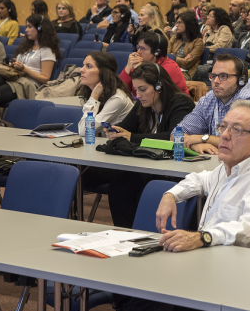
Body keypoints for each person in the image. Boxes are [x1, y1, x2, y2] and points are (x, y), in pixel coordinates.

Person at [103, 101, 250, 311]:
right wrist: (171, 194)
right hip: (208, 270)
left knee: (150, 291)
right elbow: (199, 179)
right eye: (223, 127)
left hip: (241, 282)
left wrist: (201, 237)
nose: (223, 135)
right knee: (127, 283)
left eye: (236, 130)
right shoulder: (227, 169)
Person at [106, 63, 196, 228]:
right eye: (135, 90)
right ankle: (127, 234)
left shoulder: (180, 103)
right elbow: (126, 129)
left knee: (144, 191)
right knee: (119, 187)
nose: (138, 95)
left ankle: (146, 231)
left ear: (159, 86)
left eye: (142, 89)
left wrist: (132, 137)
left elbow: (174, 136)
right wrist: (116, 131)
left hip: (174, 170)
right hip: (148, 166)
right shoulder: (143, 104)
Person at [180, 55, 250, 155]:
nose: (216, 81)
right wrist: (195, 145)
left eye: (224, 76)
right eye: (213, 76)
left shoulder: (249, 99)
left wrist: (204, 138)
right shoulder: (208, 99)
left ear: (241, 80)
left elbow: (239, 144)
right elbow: (176, 134)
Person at [0, 15, 61, 107]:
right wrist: (14, 65)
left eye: (30, 27)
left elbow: (45, 79)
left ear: (40, 29)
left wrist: (24, 69)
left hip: (29, 84)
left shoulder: (47, 50)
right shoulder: (26, 46)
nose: (26, 30)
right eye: (26, 27)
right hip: (16, 78)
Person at [76, 51, 134, 135]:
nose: (81, 69)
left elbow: (85, 131)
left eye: (89, 66)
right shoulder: (96, 92)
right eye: (83, 65)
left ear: (104, 72)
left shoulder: (117, 98)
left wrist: (93, 98)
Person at [120, 32, 189, 96]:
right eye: (138, 47)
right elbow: (121, 89)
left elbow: (145, 95)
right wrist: (128, 67)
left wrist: (139, 71)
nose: (138, 52)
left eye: (142, 48)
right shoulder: (142, 63)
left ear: (157, 52)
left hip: (174, 107)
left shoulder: (169, 68)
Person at [167, 11, 204, 80]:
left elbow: (187, 63)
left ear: (188, 24)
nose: (177, 25)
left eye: (179, 22)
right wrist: (178, 59)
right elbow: (166, 56)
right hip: (172, 69)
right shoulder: (175, 38)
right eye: (176, 22)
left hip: (187, 74)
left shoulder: (198, 42)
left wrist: (173, 57)